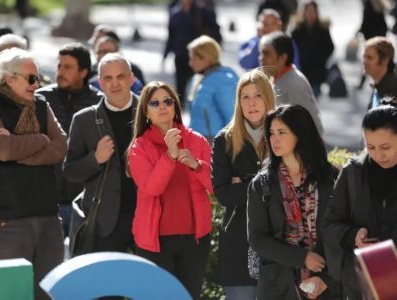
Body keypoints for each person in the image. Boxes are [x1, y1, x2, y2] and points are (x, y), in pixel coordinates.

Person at [0, 48, 67, 300]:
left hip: (47, 216)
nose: (37, 84)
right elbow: (4, 151)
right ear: (9, 78)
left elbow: (61, 147)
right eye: (31, 78)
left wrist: (20, 148)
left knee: (48, 293)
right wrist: (41, 139)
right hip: (5, 221)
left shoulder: (42, 106)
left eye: (38, 78)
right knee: (9, 295)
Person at [128, 81, 212, 299]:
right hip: (155, 242)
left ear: (175, 105)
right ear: (146, 112)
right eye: (155, 103)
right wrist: (170, 157)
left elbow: (215, 187)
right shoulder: (139, 147)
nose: (163, 106)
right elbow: (151, 188)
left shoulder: (197, 141)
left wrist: (197, 165)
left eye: (167, 101)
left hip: (194, 239)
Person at [247, 104, 341, 299]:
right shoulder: (262, 184)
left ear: (301, 134)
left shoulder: (331, 179)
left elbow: (343, 233)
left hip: (325, 288)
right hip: (278, 288)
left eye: (282, 132)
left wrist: (326, 279)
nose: (275, 139)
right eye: (271, 133)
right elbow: (257, 238)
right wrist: (302, 258)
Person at [64, 52, 138, 254]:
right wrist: (95, 159)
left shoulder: (151, 112)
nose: (115, 84)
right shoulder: (84, 120)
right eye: (108, 78)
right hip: (104, 225)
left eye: (120, 76)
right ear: (99, 82)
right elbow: (70, 172)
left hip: (147, 221)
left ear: (131, 79)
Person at [211, 70, 275, 300]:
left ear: (268, 97)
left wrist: (244, 182)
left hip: (280, 241)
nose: (252, 103)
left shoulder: (284, 134)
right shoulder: (225, 140)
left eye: (257, 95)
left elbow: (290, 185)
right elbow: (224, 195)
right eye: (245, 97)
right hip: (238, 241)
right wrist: (266, 183)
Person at [323, 105, 397, 300]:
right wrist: (352, 236)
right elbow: (329, 226)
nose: (378, 155)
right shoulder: (353, 173)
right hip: (361, 286)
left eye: (385, 147)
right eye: (370, 147)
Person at [37, 42, 102, 238]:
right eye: (59, 66)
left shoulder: (99, 103)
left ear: (83, 72)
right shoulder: (40, 99)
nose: (60, 71)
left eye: (67, 67)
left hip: (84, 201)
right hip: (46, 199)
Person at [259, 31, 323, 134]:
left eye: (266, 54)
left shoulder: (294, 84)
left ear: (283, 58)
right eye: (261, 53)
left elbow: (309, 128)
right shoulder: (277, 78)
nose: (261, 58)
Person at [164, 0, 221, 103]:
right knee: (180, 89)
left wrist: (211, 52)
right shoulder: (175, 13)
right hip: (180, 56)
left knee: (198, 89)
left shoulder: (202, 12)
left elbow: (216, 32)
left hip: (199, 58)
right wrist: (165, 55)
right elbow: (171, 36)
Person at [187, 35, 238, 141]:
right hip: (196, 141)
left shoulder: (223, 80)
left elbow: (231, 117)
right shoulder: (198, 78)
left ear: (207, 59)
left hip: (214, 143)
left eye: (194, 59)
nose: (190, 63)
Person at [291, 1, 334, 98]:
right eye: (308, 11)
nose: (311, 14)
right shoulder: (297, 31)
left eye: (313, 11)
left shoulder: (323, 30)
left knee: (314, 100)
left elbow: (330, 47)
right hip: (301, 72)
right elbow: (292, 49)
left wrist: (320, 58)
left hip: (317, 73)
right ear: (304, 12)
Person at [362, 37, 397, 108]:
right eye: (364, 57)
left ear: (385, 60)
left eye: (369, 57)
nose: (364, 62)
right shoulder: (379, 84)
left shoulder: (392, 91)